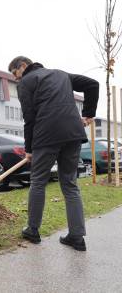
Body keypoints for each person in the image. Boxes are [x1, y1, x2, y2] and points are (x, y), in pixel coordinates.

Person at [8, 56, 99, 251]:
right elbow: (93, 84)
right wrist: (89, 113)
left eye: (16, 75)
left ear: (23, 66)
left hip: (46, 135)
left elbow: (29, 118)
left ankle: (32, 230)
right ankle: (77, 237)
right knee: (70, 184)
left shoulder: (26, 82)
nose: (17, 80)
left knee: (38, 181)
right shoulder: (61, 74)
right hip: (74, 134)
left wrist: (29, 149)